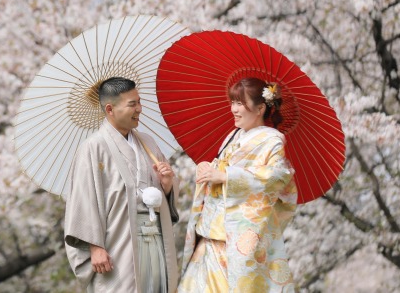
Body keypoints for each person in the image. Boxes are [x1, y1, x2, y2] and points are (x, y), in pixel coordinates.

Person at [178, 77, 298, 293]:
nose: (233, 109)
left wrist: (227, 177)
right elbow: (220, 167)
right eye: (232, 102)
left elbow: (277, 177)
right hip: (210, 234)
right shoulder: (233, 135)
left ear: (260, 108)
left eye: (240, 104)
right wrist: (208, 169)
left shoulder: (272, 140)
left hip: (236, 239)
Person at [64, 77, 180, 293]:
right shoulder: (93, 148)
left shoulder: (148, 142)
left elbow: (160, 194)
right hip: (118, 241)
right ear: (110, 109)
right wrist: (95, 247)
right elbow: (83, 200)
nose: (139, 109)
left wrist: (167, 185)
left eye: (139, 101)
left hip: (155, 236)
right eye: (132, 104)